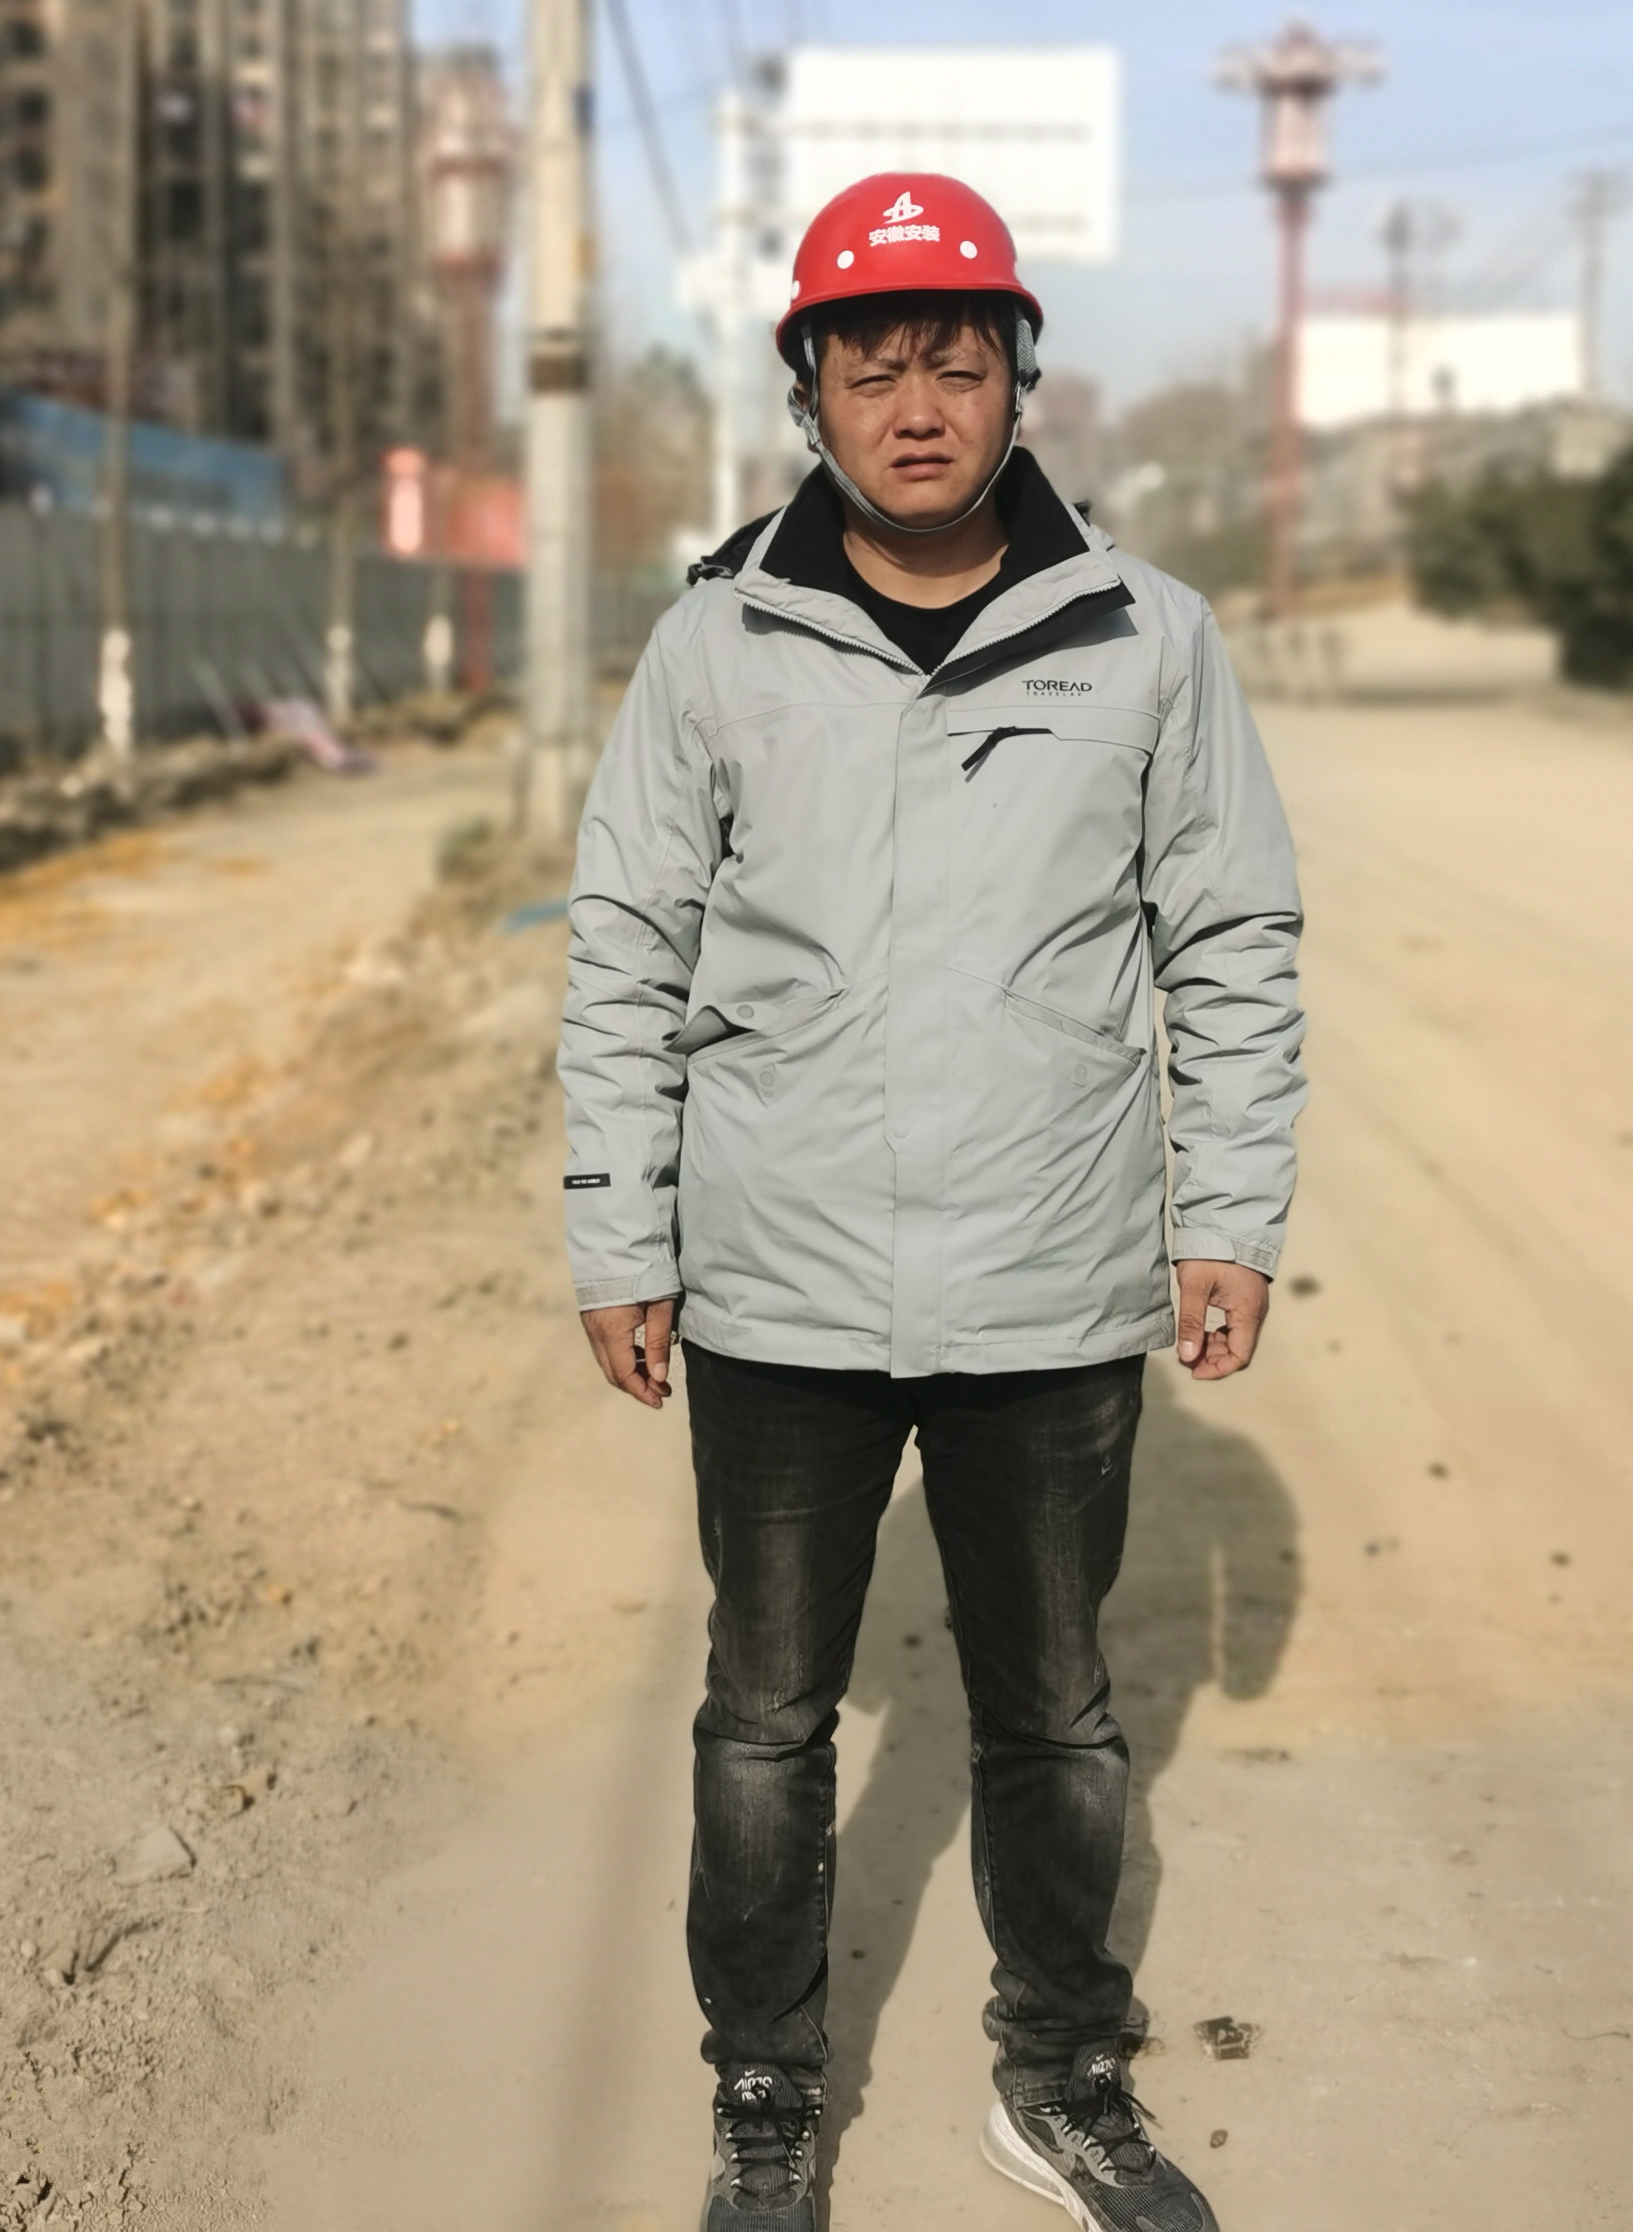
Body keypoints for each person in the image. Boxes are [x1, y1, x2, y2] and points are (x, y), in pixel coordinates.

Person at [557, 172, 1307, 2231]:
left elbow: (1230, 941)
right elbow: (625, 949)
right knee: (765, 1721)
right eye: (869, 366)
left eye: (954, 364)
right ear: (807, 390)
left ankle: (1059, 2078)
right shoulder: (718, 644)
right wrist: (621, 1231)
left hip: (1050, 1280)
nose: (915, 406)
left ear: (1017, 381)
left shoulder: (1146, 639)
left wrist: (1228, 1216)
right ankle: (766, 2093)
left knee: (1054, 1716)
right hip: (777, 1282)